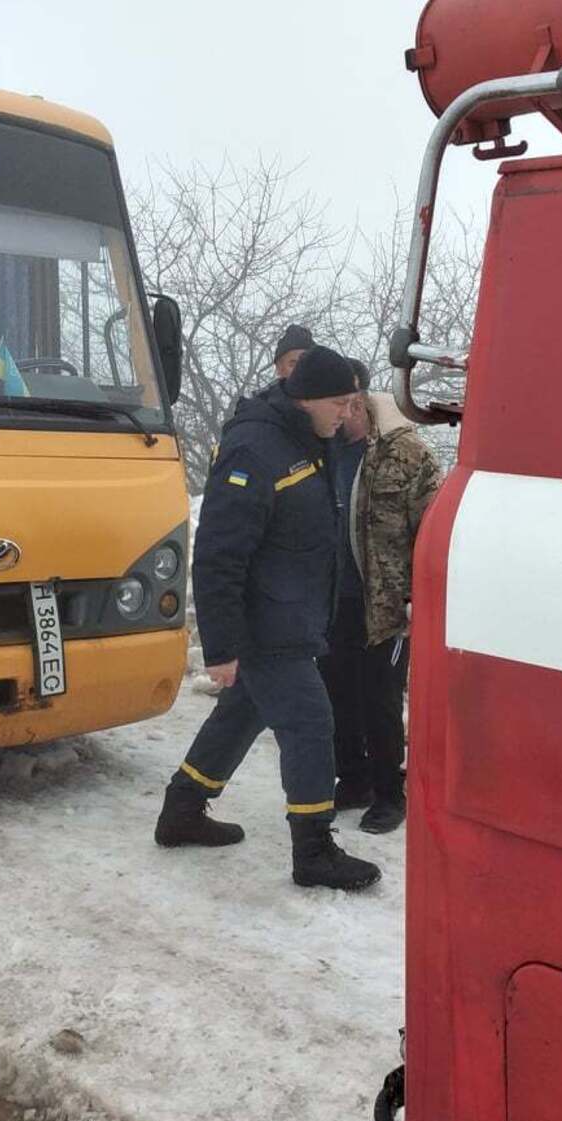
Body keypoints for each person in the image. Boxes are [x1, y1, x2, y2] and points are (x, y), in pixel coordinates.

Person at [155, 345, 382, 891]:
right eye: (341, 403)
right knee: (310, 724)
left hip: (291, 615)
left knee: (240, 715)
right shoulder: (255, 449)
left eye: (354, 403)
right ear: (307, 399)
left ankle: (182, 810)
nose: (347, 413)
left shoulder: (308, 440)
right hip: (265, 625)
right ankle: (314, 851)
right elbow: (218, 554)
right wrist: (223, 646)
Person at [319, 367, 443, 833]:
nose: (343, 411)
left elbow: (433, 529)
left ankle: (391, 795)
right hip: (333, 601)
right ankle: (353, 780)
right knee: (337, 696)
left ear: (361, 398)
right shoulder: (322, 448)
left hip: (387, 604)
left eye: (348, 400)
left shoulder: (406, 453)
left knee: (381, 701)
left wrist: (418, 595)